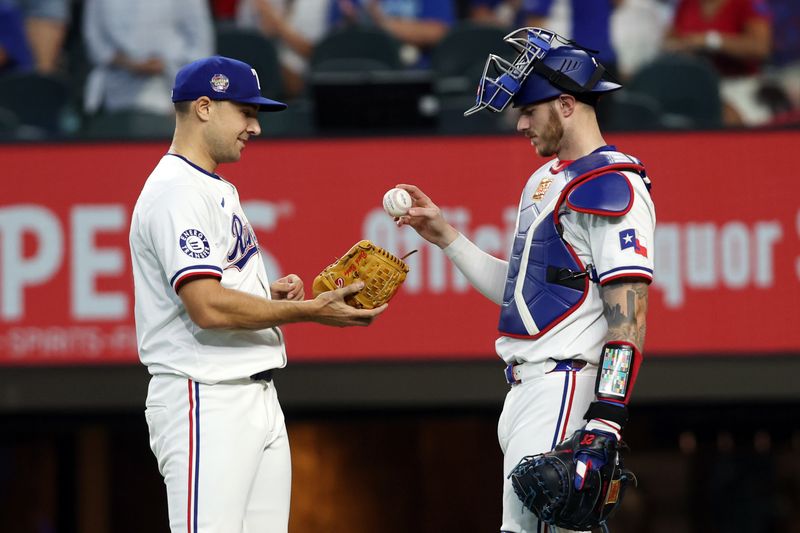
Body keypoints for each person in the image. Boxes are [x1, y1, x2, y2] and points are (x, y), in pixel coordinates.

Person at [396, 27, 655, 532]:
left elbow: (631, 314)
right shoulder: (543, 180)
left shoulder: (611, 182)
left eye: (528, 110)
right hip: (526, 389)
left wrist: (605, 423)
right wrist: (446, 236)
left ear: (565, 104)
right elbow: (521, 296)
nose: (519, 123)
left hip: (564, 387)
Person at [129, 55, 387, 533]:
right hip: (206, 396)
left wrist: (264, 291)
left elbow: (214, 286)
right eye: (245, 112)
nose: (255, 127)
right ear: (204, 107)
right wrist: (305, 310)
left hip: (254, 395)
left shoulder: (211, 186)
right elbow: (205, 306)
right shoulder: (175, 192)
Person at [82, 0, 214, 115]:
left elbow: (201, 48)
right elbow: (94, 42)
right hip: (112, 96)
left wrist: (185, 101)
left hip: (168, 95)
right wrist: (127, 63)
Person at [663, 0, 773, 126]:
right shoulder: (686, 4)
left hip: (739, 85)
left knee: (727, 117)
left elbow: (761, 48)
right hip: (696, 85)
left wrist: (711, 41)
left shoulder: (747, 2)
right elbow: (670, 40)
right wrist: (681, 47)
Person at [328, 0, 456, 68]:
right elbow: (335, 41)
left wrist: (380, 23)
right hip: (364, 74)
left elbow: (439, 32)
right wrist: (352, 26)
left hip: (417, 74)